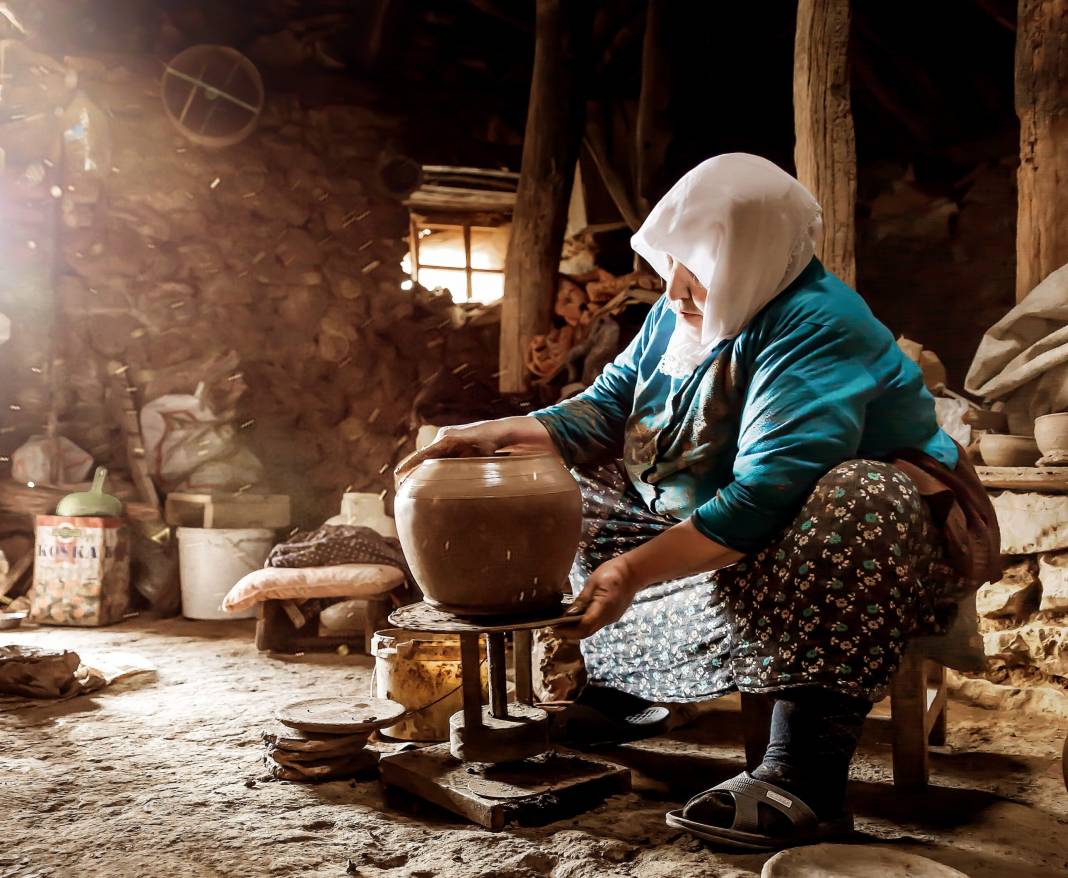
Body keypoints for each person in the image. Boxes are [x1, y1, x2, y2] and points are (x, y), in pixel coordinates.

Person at [398, 153, 999, 850]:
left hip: (850, 549)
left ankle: (803, 776)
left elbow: (762, 499)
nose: (678, 292)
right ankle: (623, 690)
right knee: (551, 487)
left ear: (756, 261)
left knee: (858, 497)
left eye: (702, 273)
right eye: (672, 267)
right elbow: (603, 411)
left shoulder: (814, 324)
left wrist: (630, 571)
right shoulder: (676, 312)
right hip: (705, 514)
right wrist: (491, 436)